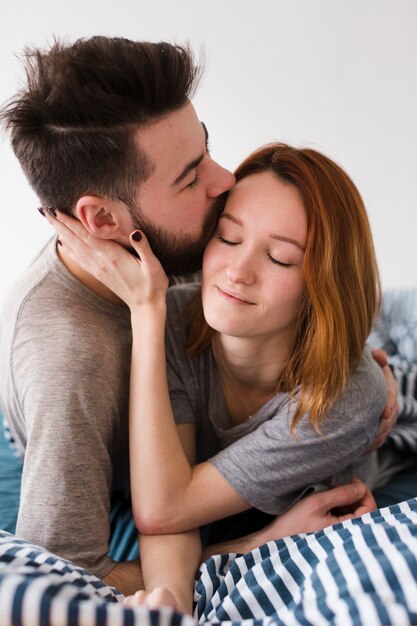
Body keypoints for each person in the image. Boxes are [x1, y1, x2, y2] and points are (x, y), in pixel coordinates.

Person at [0, 36, 396, 600]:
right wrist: (262, 544)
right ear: (102, 219)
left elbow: (323, 280)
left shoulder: (182, 241)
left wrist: (367, 365)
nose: (224, 181)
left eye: (206, 148)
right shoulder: (70, 361)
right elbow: (68, 573)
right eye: (190, 177)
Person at [43, 142, 412, 614]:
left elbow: (164, 507)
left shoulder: (337, 402)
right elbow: (169, 504)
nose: (237, 272)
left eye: (279, 258)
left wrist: (145, 311)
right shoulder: (173, 319)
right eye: (228, 238)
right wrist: (172, 604)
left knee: (383, 381)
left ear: (324, 282)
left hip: (355, 423)